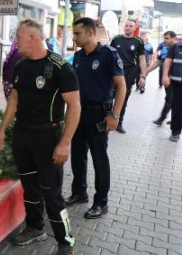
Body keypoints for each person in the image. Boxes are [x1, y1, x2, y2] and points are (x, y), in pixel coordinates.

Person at [0, 19, 81, 255]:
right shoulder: (21, 65)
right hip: (23, 136)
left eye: (18, 37)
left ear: (32, 38)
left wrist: (65, 143)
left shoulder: (61, 67)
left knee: (51, 192)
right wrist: (2, 130)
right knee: (30, 188)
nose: (15, 41)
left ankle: (65, 241)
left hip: (48, 137)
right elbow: (14, 100)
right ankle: (35, 228)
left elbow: (74, 106)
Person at [64, 18, 126, 219]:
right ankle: (79, 192)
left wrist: (114, 115)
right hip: (79, 113)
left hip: (99, 114)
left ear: (90, 33)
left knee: (99, 159)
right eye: (73, 34)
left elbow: (121, 86)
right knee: (78, 155)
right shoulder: (79, 56)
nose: (74, 37)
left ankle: (101, 202)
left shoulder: (108, 54)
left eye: (77, 33)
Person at [109, 19, 147, 133]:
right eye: (126, 25)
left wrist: (143, 76)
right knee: (109, 97)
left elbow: (142, 59)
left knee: (123, 99)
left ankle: (118, 123)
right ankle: (105, 119)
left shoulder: (138, 41)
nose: (128, 27)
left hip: (129, 73)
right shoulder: (116, 39)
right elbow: (109, 54)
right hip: (114, 72)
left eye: (130, 26)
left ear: (135, 28)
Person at [145, 31, 177, 126]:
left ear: (173, 38)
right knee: (170, 99)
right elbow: (158, 62)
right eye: (164, 38)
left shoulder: (179, 49)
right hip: (167, 79)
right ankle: (173, 118)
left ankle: (163, 119)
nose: (164, 40)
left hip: (177, 79)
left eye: (167, 38)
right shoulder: (164, 48)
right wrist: (146, 71)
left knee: (172, 99)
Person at [162, 38, 182, 142]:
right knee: (177, 108)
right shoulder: (176, 46)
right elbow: (168, 61)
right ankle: (175, 132)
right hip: (178, 84)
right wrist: (165, 76)